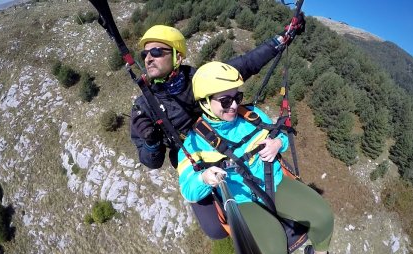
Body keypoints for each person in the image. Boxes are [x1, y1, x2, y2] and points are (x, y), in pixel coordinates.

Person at [130, 22, 305, 239]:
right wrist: (152, 143)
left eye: (156, 51)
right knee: (215, 229)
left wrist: (281, 40)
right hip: (195, 158)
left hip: (225, 140)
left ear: (177, 56)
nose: (148, 58)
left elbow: (246, 64)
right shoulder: (145, 106)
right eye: (145, 53)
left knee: (256, 176)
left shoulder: (200, 78)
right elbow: (151, 162)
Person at [177, 61, 335, 254]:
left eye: (237, 97)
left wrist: (277, 143)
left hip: (274, 181)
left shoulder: (251, 115)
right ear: (205, 103)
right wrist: (204, 178)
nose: (234, 105)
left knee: (323, 217)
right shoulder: (193, 143)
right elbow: (188, 190)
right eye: (225, 101)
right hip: (242, 200)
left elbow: (280, 134)